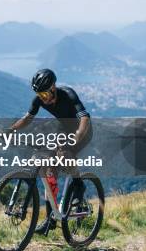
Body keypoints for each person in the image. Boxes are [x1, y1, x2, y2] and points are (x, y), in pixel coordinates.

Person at [9, 68, 92, 235]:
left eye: (46, 94)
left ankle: (79, 185)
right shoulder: (39, 99)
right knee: (48, 171)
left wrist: (77, 136)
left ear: (54, 87)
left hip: (83, 132)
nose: (43, 99)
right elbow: (27, 118)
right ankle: (50, 219)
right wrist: (12, 129)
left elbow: (84, 117)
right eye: (40, 95)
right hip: (62, 130)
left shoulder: (68, 94)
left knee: (65, 156)